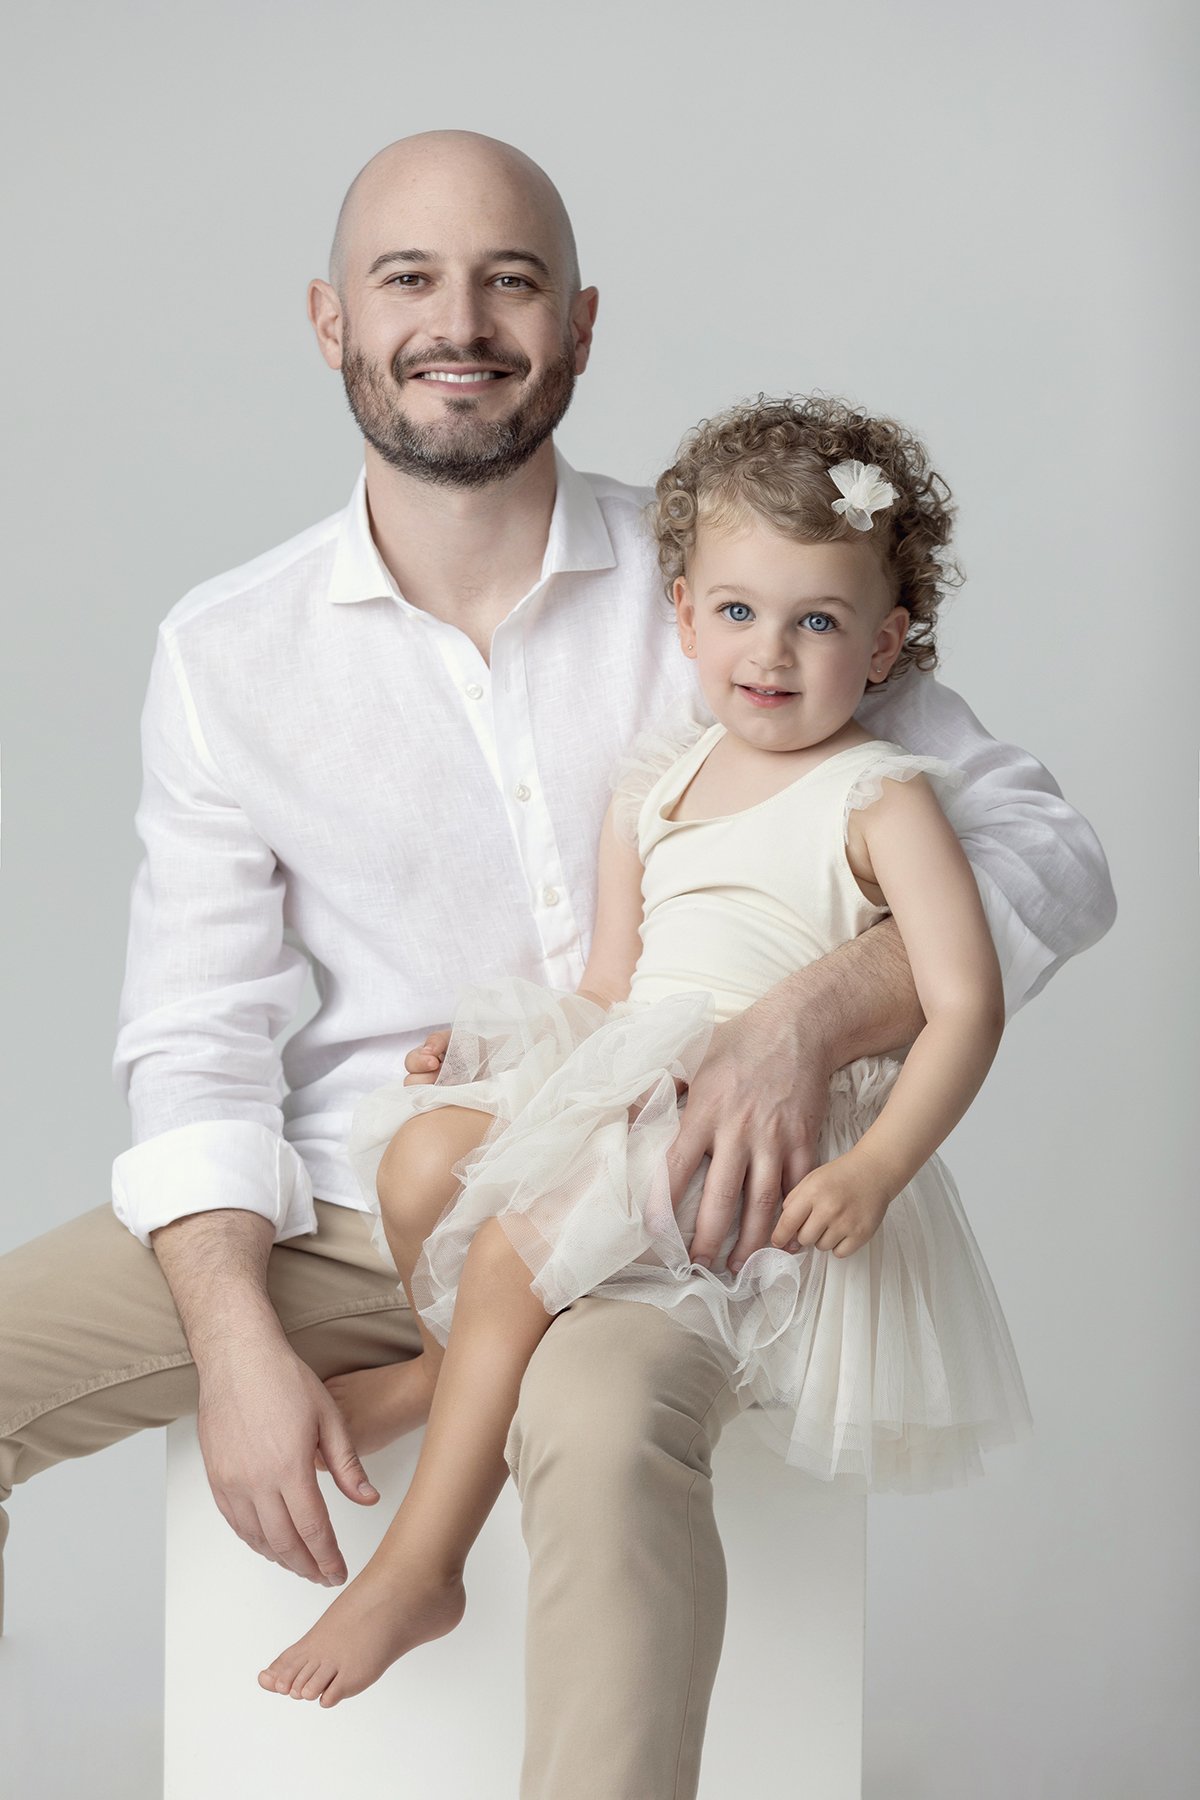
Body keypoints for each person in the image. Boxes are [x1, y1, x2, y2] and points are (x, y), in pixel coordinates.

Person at [0, 131, 1114, 1799]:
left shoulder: (739, 587)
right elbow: (196, 1033)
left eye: (509, 281)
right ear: (330, 320)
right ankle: (422, 1367)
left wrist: (802, 1023)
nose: (460, 324)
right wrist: (234, 1345)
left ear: (580, 326)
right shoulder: (228, 652)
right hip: (363, 1199)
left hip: (682, 1215)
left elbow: (1045, 850)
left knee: (597, 1436)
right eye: (409, 279)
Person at [256, 394, 1034, 1711]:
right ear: (683, 617)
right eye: (737, 612)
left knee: (510, 1251)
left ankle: (422, 1568)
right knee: (423, 1160)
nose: (770, 653)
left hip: (749, 1130)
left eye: (819, 622)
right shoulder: (658, 785)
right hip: (639, 1076)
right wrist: (498, 1052)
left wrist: (879, 1167)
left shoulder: (880, 797)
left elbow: (966, 1003)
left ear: (886, 643)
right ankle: (454, 1369)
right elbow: (612, 992)